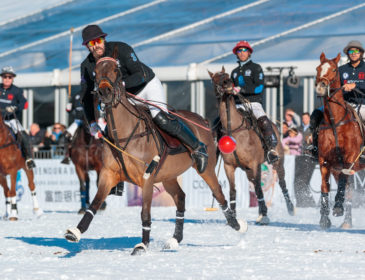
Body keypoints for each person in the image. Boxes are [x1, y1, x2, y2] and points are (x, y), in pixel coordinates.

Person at [79, 24, 208, 173]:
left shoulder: (121, 49)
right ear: (87, 46)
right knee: (111, 130)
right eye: (91, 43)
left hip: (146, 86)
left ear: (103, 39)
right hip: (127, 97)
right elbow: (86, 97)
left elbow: (140, 74)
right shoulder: (87, 66)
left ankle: (198, 147)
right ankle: (116, 171)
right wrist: (93, 123)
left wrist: (122, 84)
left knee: (160, 118)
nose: (96, 46)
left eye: (98, 41)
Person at [310, 40, 365, 157]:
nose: (354, 53)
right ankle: (315, 147)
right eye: (351, 51)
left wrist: (356, 85)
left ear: (361, 53)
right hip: (342, 104)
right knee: (316, 114)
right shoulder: (341, 69)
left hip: (362, 104)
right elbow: (332, 85)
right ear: (348, 53)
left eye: (356, 51)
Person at [230, 40, 278, 163]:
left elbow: (259, 87)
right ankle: (216, 147)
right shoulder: (234, 72)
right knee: (221, 121)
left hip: (253, 103)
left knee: (264, 121)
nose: (242, 53)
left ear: (249, 52)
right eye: (239, 51)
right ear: (236, 53)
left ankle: (270, 150)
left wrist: (242, 89)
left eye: (244, 50)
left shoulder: (256, 68)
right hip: (237, 104)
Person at [0, 66, 36, 169]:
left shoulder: (17, 91)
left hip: (10, 119)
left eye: (9, 77)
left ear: (12, 78)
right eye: (5, 76)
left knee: (24, 135)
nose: (7, 79)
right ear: (2, 78)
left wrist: (15, 108)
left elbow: (24, 104)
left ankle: (29, 159)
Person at [61, 91, 84, 164]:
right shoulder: (75, 96)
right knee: (66, 135)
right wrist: (68, 106)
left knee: (101, 133)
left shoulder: (91, 94)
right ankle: (67, 155)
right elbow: (69, 111)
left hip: (90, 121)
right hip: (78, 121)